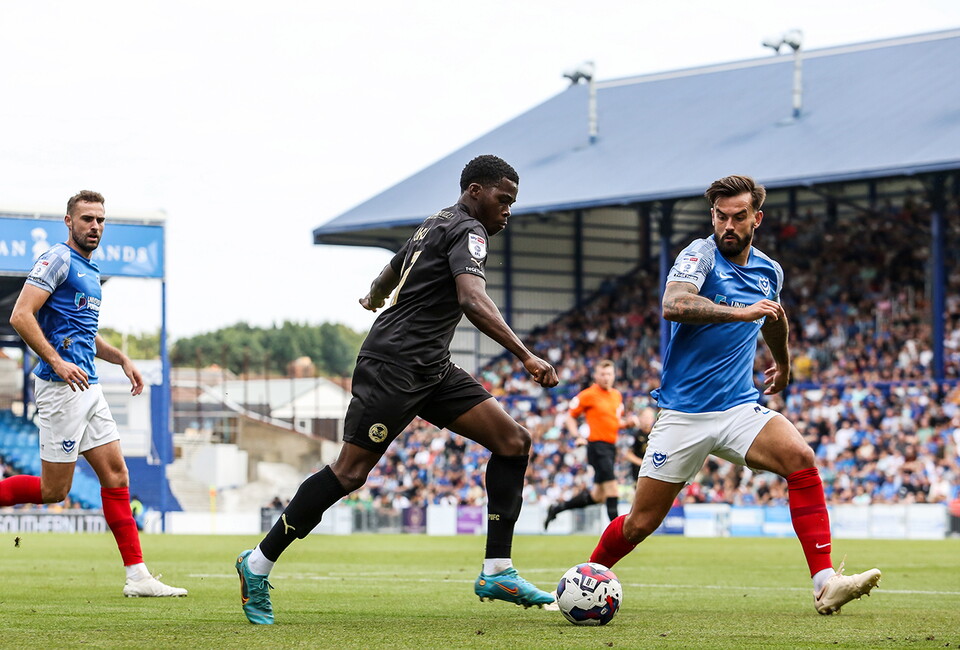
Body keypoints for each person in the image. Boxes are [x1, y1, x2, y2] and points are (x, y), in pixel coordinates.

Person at [235, 155, 559, 625]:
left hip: (431, 366)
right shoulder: (469, 230)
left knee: (513, 442)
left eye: (512, 202)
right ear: (474, 191)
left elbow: (392, 268)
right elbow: (472, 298)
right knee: (349, 474)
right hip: (394, 365)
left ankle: (497, 569)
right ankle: (258, 563)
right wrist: (525, 354)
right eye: (503, 199)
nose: (508, 209)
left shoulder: (433, 224)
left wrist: (374, 296)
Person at [587, 175, 881, 615]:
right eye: (720, 216)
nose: (728, 224)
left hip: (738, 407)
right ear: (713, 216)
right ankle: (586, 579)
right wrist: (741, 312)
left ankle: (825, 583)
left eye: (738, 217)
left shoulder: (768, 270)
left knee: (801, 458)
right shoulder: (697, 255)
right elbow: (674, 305)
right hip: (683, 414)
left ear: (755, 219)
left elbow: (774, 317)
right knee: (639, 524)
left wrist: (782, 363)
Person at [2, 190, 187, 598]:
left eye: (100, 220)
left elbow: (83, 334)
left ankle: (138, 577)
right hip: (61, 389)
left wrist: (121, 357)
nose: (95, 226)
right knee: (55, 491)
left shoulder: (89, 268)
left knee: (117, 474)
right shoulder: (58, 259)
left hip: (89, 386)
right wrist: (58, 361)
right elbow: (20, 315)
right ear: (69, 221)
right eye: (87, 219)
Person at [543, 360, 639, 528]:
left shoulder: (616, 395)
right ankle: (619, 538)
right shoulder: (588, 394)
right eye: (602, 374)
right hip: (597, 446)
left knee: (597, 496)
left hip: (610, 447)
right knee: (613, 490)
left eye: (609, 374)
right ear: (596, 375)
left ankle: (557, 508)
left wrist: (627, 423)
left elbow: (614, 422)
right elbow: (570, 416)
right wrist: (577, 436)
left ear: (614, 375)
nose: (606, 377)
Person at [624, 406, 656, 481]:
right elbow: (628, 454)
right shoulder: (635, 434)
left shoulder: (656, 435)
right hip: (638, 472)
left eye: (649, 417)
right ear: (640, 418)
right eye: (645, 417)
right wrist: (643, 464)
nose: (647, 420)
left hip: (653, 472)